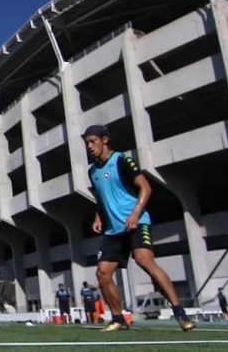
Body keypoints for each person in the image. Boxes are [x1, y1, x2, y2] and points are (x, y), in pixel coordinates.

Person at [82, 124, 195, 332]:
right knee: (103, 273)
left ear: (104, 140)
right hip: (113, 229)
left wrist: (135, 213)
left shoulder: (122, 161)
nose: (89, 146)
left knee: (144, 260)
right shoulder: (93, 172)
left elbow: (146, 187)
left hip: (137, 221)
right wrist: (98, 216)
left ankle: (180, 313)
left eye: (92, 141)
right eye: (86, 143)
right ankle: (118, 319)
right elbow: (100, 197)